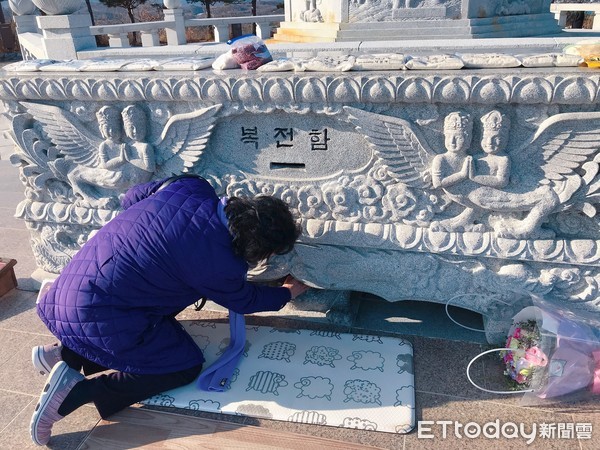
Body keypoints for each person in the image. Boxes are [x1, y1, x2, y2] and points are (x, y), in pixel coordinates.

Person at [30, 175, 309, 446]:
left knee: (138, 308)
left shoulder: (190, 185)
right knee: (182, 366)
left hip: (69, 291)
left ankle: (61, 354)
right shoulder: (221, 263)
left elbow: (131, 197)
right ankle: (73, 395)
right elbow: (244, 300)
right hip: (96, 313)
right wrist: (287, 293)